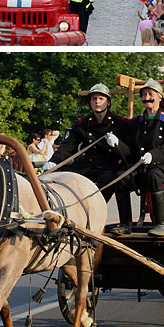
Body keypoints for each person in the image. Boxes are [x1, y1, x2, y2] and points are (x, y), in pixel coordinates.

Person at [52, 82, 134, 226]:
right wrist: (53, 161)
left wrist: (117, 144)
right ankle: (61, 213)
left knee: (110, 180)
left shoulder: (120, 123)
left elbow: (129, 151)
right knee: (62, 176)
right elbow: (68, 146)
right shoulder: (82, 123)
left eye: (101, 99)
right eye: (94, 99)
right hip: (85, 165)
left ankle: (92, 213)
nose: (97, 102)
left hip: (108, 167)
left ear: (108, 102)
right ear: (90, 102)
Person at [127, 79, 164, 233]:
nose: (147, 97)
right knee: (122, 178)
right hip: (144, 167)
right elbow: (131, 147)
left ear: (160, 97)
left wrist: (152, 155)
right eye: (144, 94)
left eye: (150, 94)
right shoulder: (136, 122)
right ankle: (125, 224)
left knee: (154, 176)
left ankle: (161, 225)